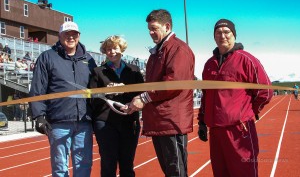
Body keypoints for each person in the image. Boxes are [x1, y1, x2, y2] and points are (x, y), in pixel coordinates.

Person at [123, 9, 195, 177]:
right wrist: (135, 101)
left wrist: (144, 98)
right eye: (149, 29)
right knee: (170, 171)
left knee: (176, 171)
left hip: (171, 122)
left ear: (167, 26)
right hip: (161, 120)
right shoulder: (158, 52)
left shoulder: (178, 49)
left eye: (154, 28)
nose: (150, 32)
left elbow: (174, 82)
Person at [198, 19, 273, 177]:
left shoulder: (247, 59)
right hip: (216, 131)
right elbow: (205, 96)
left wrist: (247, 111)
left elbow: (265, 91)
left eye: (227, 32)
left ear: (234, 35)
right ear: (214, 36)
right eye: (218, 32)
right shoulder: (209, 64)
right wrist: (202, 122)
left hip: (239, 130)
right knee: (221, 172)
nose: (222, 36)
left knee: (244, 172)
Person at [29, 21, 97, 177]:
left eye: (74, 34)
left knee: (84, 164)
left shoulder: (89, 59)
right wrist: (39, 115)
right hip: (58, 121)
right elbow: (38, 88)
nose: (71, 37)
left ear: (79, 36)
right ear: (59, 36)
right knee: (60, 166)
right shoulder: (47, 57)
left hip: (84, 121)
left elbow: (95, 88)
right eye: (67, 34)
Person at [90, 35, 144, 177]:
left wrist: (131, 102)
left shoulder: (134, 70)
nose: (112, 52)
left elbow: (142, 94)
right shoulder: (98, 71)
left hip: (129, 121)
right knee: (108, 164)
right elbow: (92, 98)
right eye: (108, 49)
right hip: (106, 123)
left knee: (127, 165)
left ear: (121, 49)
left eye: (115, 48)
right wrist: (108, 92)